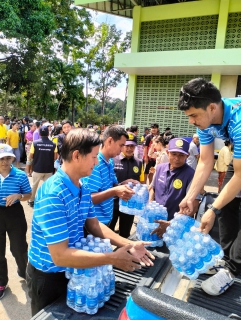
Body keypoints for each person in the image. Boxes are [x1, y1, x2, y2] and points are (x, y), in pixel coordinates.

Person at [26, 128, 154, 316]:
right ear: (77, 155)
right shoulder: (53, 194)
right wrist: (112, 258)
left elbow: (93, 224)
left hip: (74, 270)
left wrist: (130, 244)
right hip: (49, 278)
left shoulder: (82, 186)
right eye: (94, 157)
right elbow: (60, 255)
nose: (97, 162)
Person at [177, 77, 241, 296]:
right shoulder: (205, 122)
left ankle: (234, 270)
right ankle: (226, 260)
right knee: (226, 208)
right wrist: (190, 197)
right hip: (238, 160)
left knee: (221, 208)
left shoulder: (239, 121)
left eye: (194, 115)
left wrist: (211, 209)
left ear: (212, 107)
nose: (191, 122)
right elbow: (205, 161)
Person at [82, 125, 135, 225]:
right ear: (110, 141)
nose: (123, 149)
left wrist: (125, 184)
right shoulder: (95, 164)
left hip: (106, 219)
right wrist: (114, 191)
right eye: (121, 145)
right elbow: (89, 198)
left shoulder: (109, 161)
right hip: (95, 224)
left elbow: (112, 185)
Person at [149, 138, 200, 237]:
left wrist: (171, 223)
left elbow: (193, 206)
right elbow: (152, 188)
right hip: (155, 221)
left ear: (187, 156)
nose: (177, 158)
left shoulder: (191, 174)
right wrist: (150, 203)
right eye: (174, 154)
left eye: (181, 155)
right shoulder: (159, 168)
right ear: (168, 153)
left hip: (176, 226)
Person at [0, 144, 31, 299]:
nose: (5, 162)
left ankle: (23, 271)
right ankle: (1, 282)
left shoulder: (19, 175)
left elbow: (28, 195)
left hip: (15, 214)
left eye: (8, 158)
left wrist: (19, 196)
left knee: (19, 247)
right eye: (2, 158)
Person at [109, 132, 144, 238]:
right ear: (122, 145)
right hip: (113, 204)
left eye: (132, 146)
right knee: (108, 234)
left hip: (129, 205)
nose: (129, 148)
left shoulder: (139, 163)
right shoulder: (113, 160)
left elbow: (142, 182)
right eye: (127, 145)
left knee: (125, 234)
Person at [27, 126, 58, 207]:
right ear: (48, 133)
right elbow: (55, 157)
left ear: (39, 133)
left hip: (37, 168)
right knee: (48, 186)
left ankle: (31, 200)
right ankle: (47, 201)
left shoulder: (35, 143)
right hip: (49, 169)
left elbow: (31, 156)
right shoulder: (53, 144)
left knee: (34, 185)